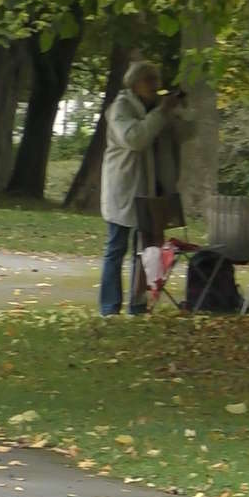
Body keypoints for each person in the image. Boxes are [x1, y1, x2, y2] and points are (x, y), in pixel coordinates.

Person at [98, 60, 185, 317]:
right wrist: (161, 113)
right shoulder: (121, 108)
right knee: (116, 248)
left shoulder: (158, 108)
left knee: (147, 250)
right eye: (149, 80)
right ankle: (109, 307)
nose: (155, 86)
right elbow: (135, 139)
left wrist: (179, 110)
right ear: (135, 83)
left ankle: (137, 305)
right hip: (125, 188)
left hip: (153, 188)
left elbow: (186, 134)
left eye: (156, 80)